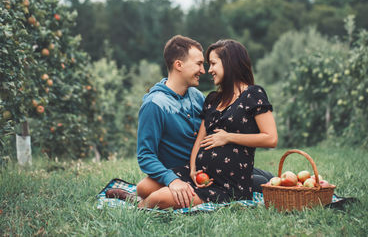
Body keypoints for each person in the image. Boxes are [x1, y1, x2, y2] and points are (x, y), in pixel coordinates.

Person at [106, 36, 276, 208]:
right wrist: (175, 179)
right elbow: (146, 155)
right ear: (179, 65)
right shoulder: (155, 104)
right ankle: (140, 200)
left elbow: (229, 127)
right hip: (192, 170)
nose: (204, 70)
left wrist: (229, 138)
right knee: (143, 188)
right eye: (199, 64)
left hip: (222, 173)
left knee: (266, 181)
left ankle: (139, 204)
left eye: (209, 64)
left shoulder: (196, 96)